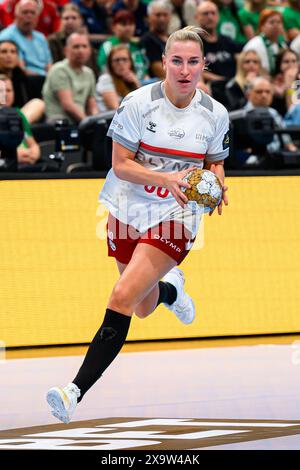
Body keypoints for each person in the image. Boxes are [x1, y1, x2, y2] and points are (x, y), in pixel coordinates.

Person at [46, 25, 230, 424]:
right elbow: (120, 165)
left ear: (204, 65)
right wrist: (167, 177)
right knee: (142, 306)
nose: (185, 70)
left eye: (193, 62)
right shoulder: (136, 104)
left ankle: (73, 391)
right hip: (128, 205)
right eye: (176, 61)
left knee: (121, 296)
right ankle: (171, 290)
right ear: (163, 63)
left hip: (178, 214)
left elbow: (214, 161)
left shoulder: (215, 114)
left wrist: (217, 182)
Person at [42, 32, 98, 124]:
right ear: (66, 50)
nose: (81, 50)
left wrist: (97, 120)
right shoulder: (59, 70)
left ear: (90, 51)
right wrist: (88, 123)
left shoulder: (89, 73)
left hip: (80, 121)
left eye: (84, 46)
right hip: (59, 121)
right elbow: (67, 106)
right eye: (76, 47)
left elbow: (92, 104)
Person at [0, 0, 52, 76]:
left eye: (32, 13)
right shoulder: (7, 37)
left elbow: (49, 64)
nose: (29, 16)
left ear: (38, 17)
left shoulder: (41, 38)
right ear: (16, 15)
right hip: (24, 79)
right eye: (25, 12)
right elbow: (21, 69)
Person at [97, 10, 148, 83]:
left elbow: (145, 71)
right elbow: (104, 70)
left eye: (131, 24)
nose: (128, 28)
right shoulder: (107, 46)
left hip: (141, 85)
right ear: (114, 27)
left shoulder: (137, 46)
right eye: (123, 24)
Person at [0, 74, 41, 166]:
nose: (6, 94)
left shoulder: (18, 114)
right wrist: (12, 155)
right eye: (1, 91)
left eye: (9, 90)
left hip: (25, 164)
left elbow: (33, 144)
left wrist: (34, 154)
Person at [0, 39, 45, 122]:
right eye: (3, 52)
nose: (9, 55)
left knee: (38, 103)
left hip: (20, 118)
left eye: (13, 52)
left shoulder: (24, 80)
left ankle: (17, 125)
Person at [96, 44, 140, 112]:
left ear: (130, 62)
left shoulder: (131, 79)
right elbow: (116, 109)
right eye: (117, 60)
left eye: (124, 59)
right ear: (110, 64)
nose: (121, 63)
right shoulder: (105, 79)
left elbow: (142, 104)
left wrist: (136, 83)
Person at [243, 9, 287, 76]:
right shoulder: (254, 45)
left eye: (279, 22)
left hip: (279, 82)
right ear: (262, 26)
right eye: (271, 22)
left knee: (296, 83)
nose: (276, 25)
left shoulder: (283, 45)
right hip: (258, 82)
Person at [140, 0, 172, 79]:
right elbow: (160, 71)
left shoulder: (173, 38)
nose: (162, 19)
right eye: (158, 15)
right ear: (149, 17)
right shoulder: (147, 40)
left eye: (165, 15)